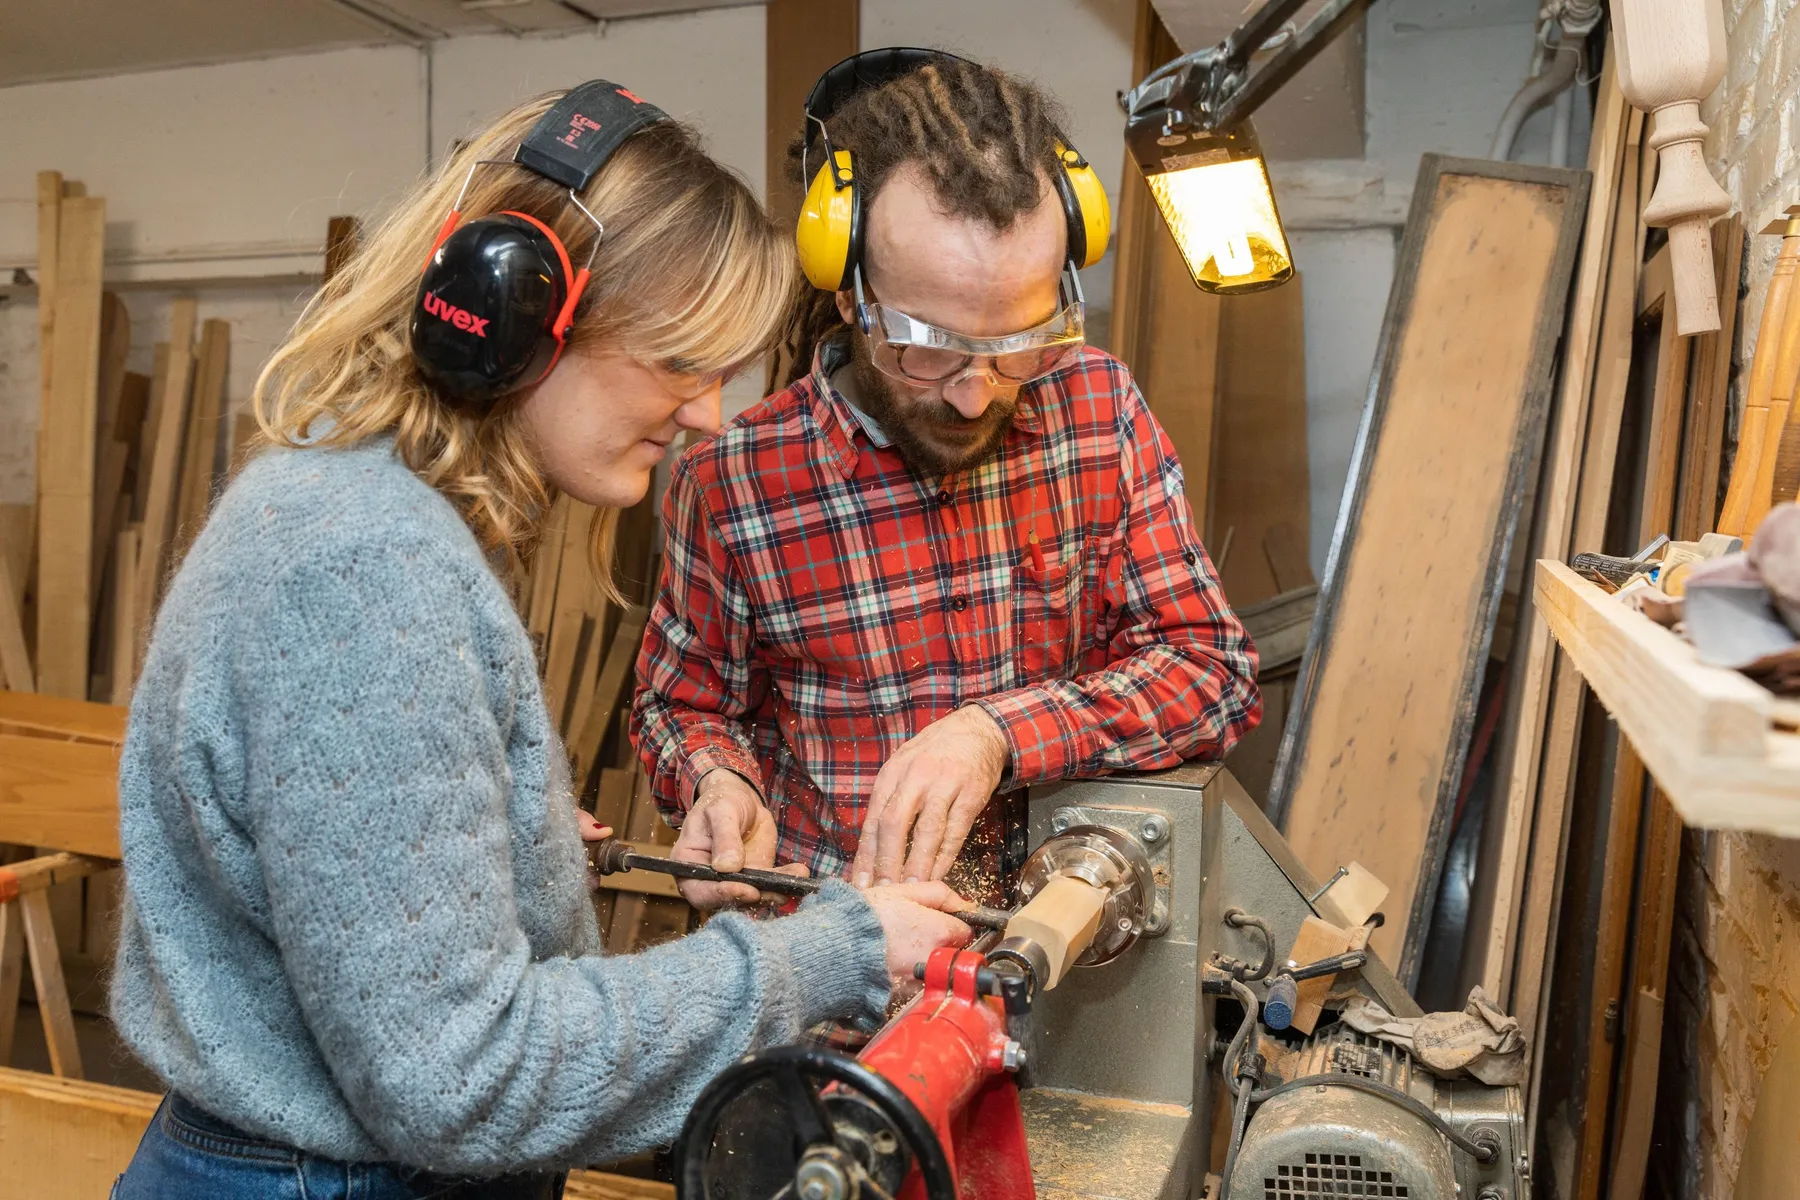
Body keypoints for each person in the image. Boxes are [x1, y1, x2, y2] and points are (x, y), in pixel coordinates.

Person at [110, 82, 971, 1200]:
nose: (710, 415)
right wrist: (833, 953)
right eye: (679, 362)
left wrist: (487, 838)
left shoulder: (349, 507)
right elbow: (459, 1077)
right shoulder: (367, 564)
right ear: (514, 318)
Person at [631, 51, 1260, 909]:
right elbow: (682, 705)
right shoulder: (735, 481)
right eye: (926, 347)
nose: (975, 394)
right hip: (842, 958)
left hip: (1071, 937)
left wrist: (999, 733)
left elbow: (1211, 671)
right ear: (850, 293)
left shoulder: (1098, 411)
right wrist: (717, 780)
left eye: (1016, 345)